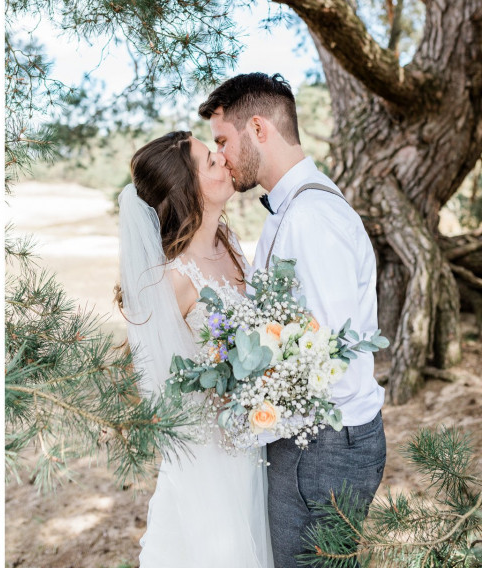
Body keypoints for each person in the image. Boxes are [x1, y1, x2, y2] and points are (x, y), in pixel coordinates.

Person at [199, 72, 385, 568]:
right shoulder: (292, 210)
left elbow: (331, 360)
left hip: (322, 450)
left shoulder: (311, 218)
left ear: (258, 129)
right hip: (314, 443)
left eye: (223, 141)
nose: (219, 156)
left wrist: (250, 387)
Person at [117, 131, 272, 567]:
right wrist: (228, 388)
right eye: (210, 161)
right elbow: (165, 392)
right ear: (188, 189)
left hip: (253, 437)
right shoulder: (171, 279)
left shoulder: (231, 245)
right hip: (210, 456)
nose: (223, 160)